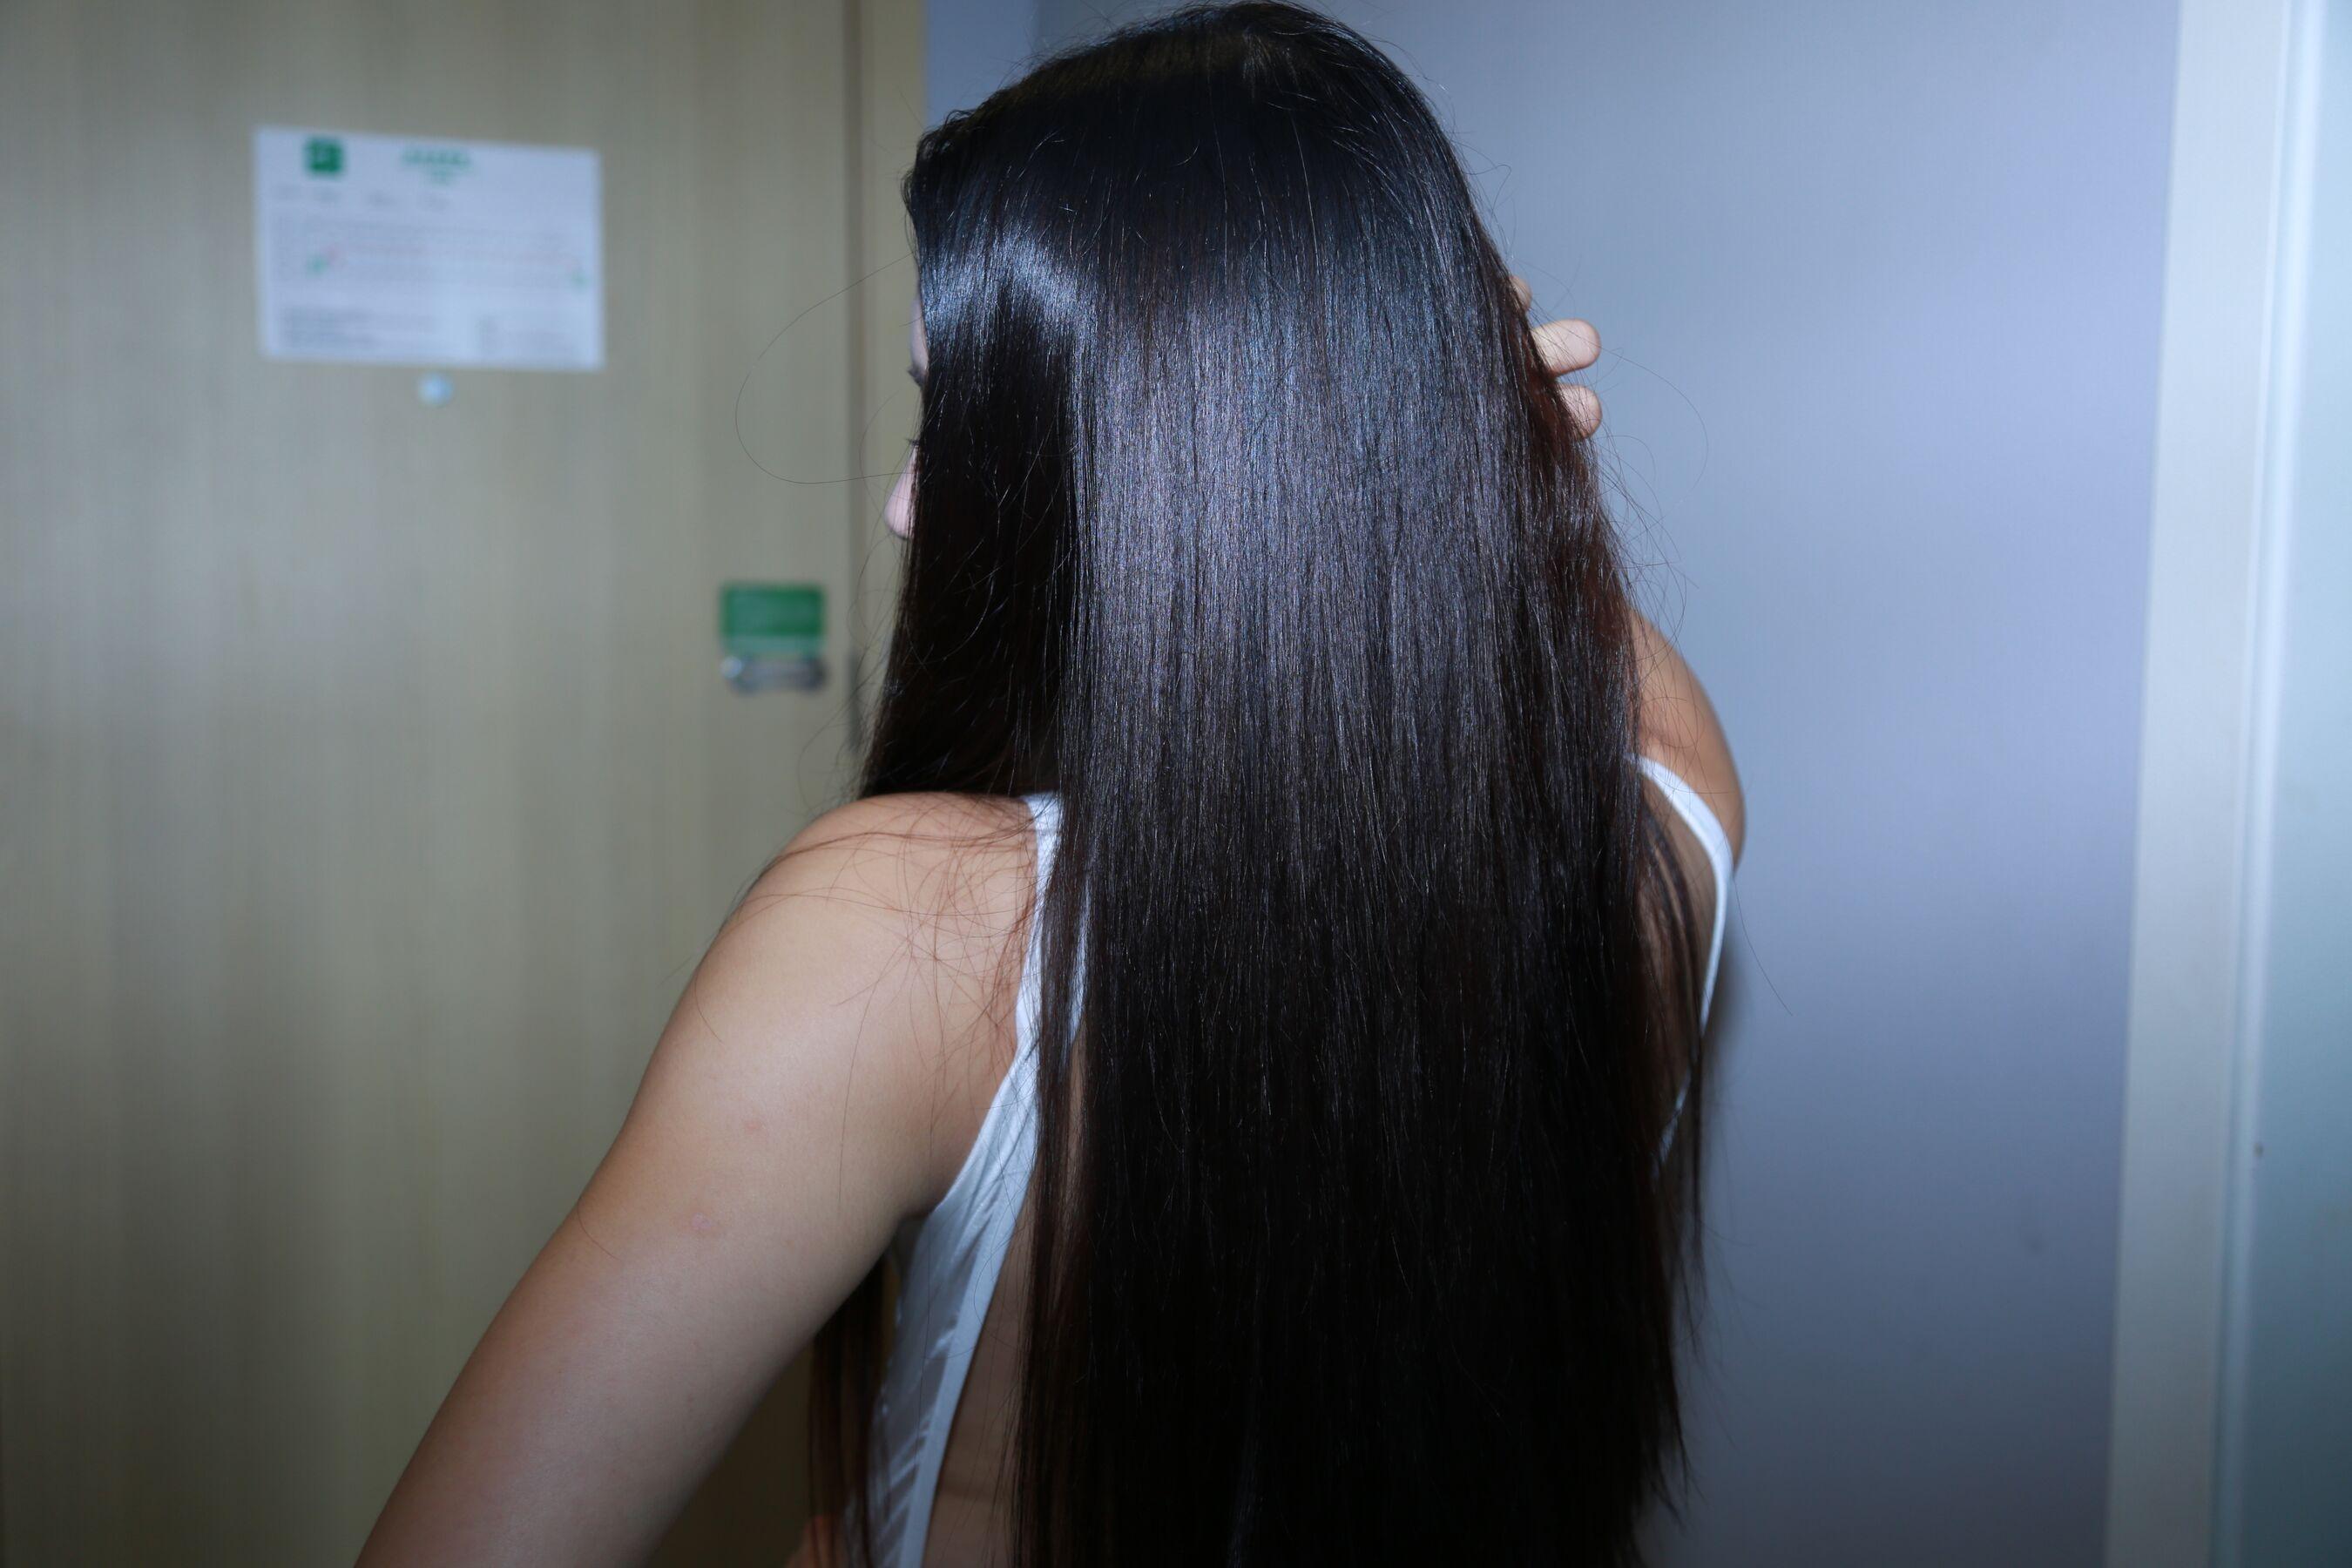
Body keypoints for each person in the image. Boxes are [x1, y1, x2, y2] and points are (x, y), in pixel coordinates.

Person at [358, 4, 1744, 1565]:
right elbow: (1464, 570)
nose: (907, 504)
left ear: (1164, 467)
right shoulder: (1667, 799)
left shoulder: (898, 931)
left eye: (961, 419)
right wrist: (1431, 418)